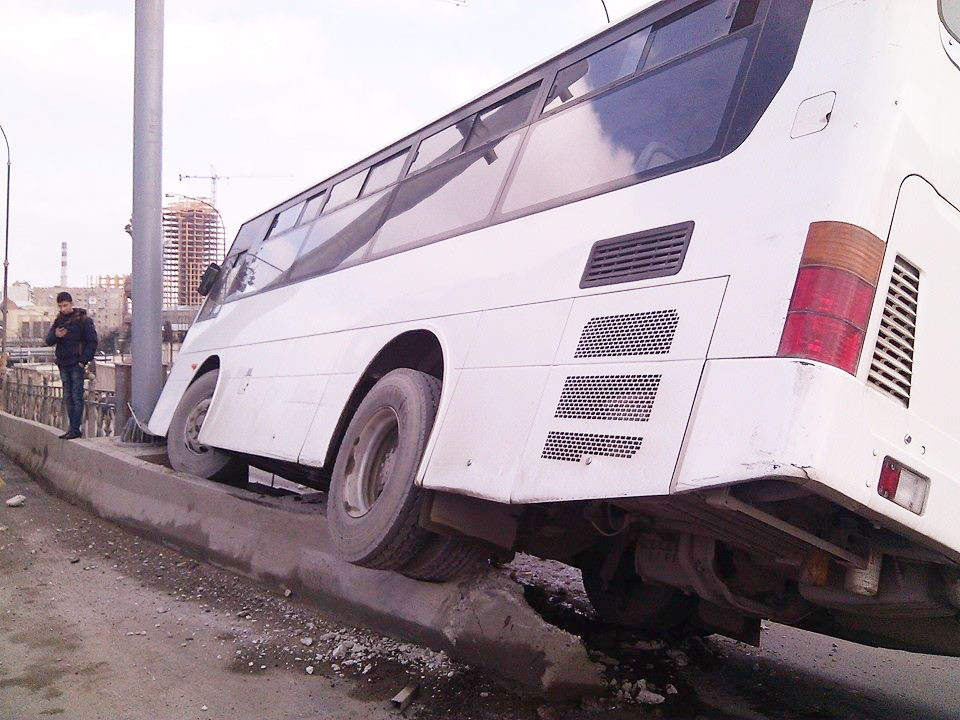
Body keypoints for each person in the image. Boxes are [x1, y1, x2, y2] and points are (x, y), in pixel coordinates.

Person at [45, 292, 98, 439]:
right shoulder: (59, 320)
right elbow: (48, 340)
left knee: (76, 396)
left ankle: (75, 429)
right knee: (68, 397)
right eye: (60, 306)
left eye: (65, 305)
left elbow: (92, 342)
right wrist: (56, 335)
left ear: (71, 303)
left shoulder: (83, 320)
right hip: (63, 363)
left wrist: (83, 361)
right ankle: (72, 428)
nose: (63, 309)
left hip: (76, 364)